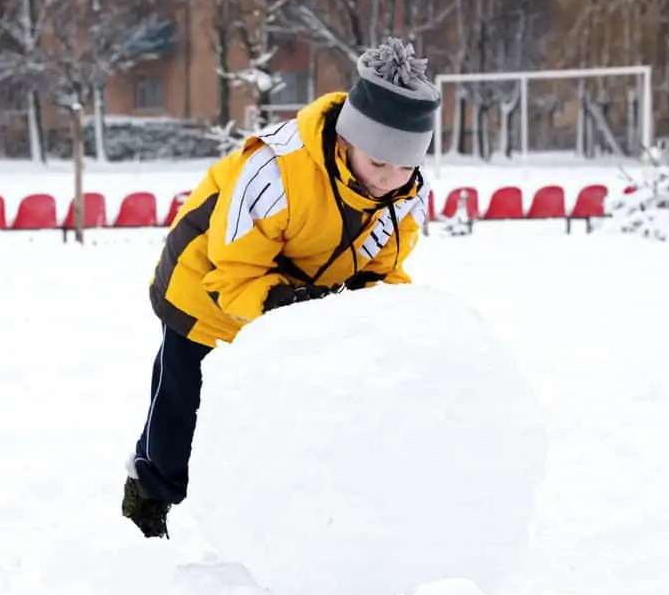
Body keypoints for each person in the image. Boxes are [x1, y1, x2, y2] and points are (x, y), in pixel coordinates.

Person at [121, 36, 442, 538]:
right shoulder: (276, 169)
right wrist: (294, 307)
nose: (389, 179)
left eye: (405, 166)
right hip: (206, 289)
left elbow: (385, 270)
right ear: (346, 141)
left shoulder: (402, 195)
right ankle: (149, 495)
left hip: (301, 302)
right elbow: (233, 273)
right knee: (183, 406)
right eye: (379, 163)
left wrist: (375, 315)